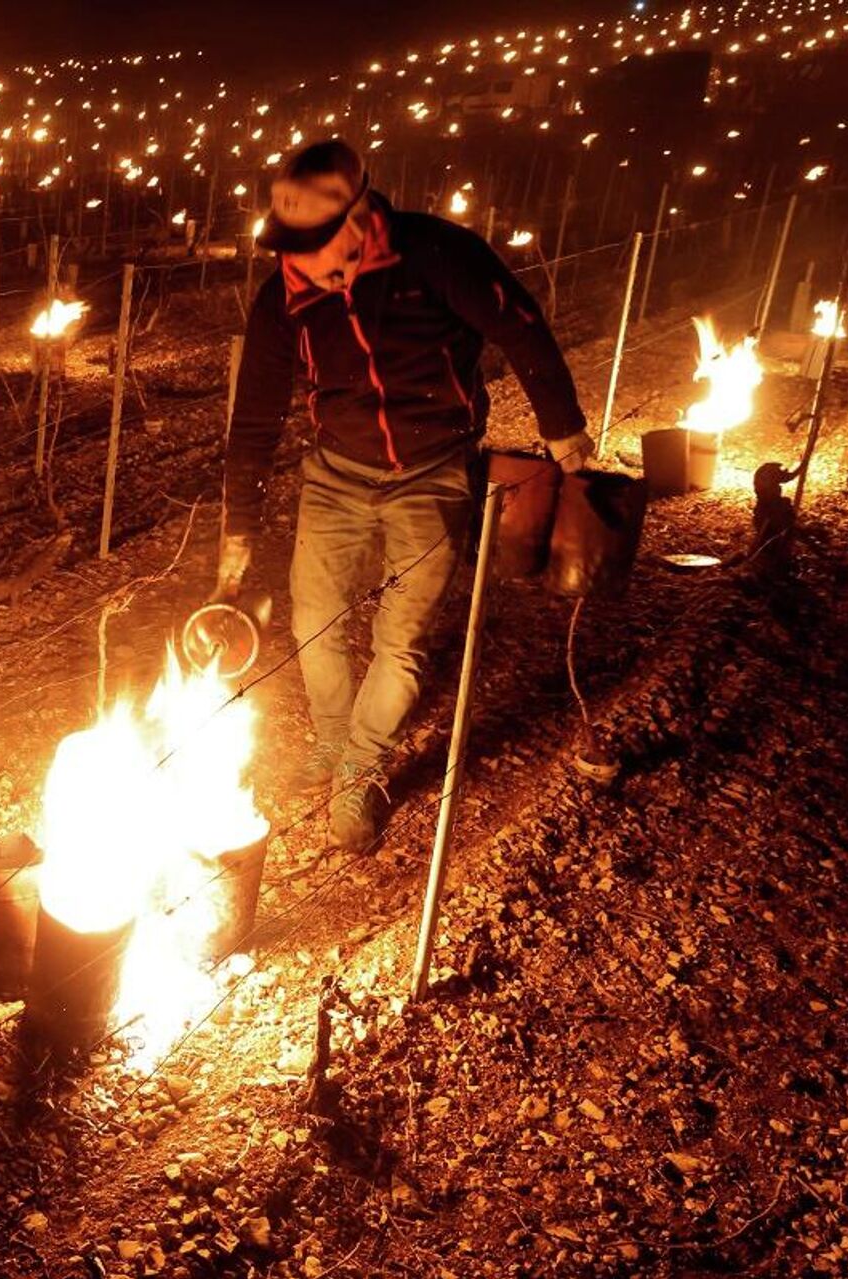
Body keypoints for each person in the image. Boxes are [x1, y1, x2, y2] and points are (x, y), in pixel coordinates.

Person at [216, 139, 593, 851]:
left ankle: (361, 767)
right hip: (335, 473)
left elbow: (520, 324)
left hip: (434, 468)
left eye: (315, 244)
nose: (298, 263)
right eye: (289, 246)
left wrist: (563, 428)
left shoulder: (436, 256)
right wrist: (238, 528)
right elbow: (255, 415)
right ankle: (334, 743)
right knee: (314, 623)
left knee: (402, 640)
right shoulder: (283, 299)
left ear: (361, 217)